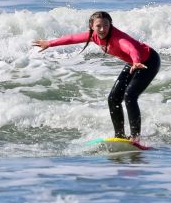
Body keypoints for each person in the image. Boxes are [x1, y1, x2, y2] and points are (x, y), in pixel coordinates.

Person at [32, 11, 160, 143]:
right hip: (133, 63)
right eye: (99, 26)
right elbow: (71, 38)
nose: (103, 29)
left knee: (129, 96)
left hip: (148, 61)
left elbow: (131, 48)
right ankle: (120, 136)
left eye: (106, 25)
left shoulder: (117, 38)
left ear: (111, 25)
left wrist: (136, 60)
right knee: (113, 98)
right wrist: (50, 43)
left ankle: (135, 137)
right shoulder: (93, 36)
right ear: (92, 26)